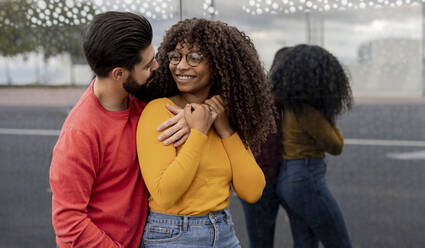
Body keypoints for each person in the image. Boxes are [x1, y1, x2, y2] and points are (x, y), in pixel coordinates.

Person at [49, 12, 189, 248]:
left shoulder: (141, 97)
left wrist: (193, 114)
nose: (156, 66)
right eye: (147, 65)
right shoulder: (80, 133)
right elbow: (68, 223)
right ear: (119, 74)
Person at [135, 18, 276, 247]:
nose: (180, 66)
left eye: (194, 58)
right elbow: (165, 194)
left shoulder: (224, 116)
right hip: (173, 235)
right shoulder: (160, 111)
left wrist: (224, 127)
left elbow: (252, 191)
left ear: (219, 64)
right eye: (176, 56)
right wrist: (199, 132)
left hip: (223, 232)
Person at [241, 44, 354, 248]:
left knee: (290, 241)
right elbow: (335, 145)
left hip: (278, 178)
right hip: (297, 177)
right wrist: (328, 116)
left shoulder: (277, 102)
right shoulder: (300, 107)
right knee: (334, 241)